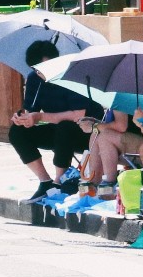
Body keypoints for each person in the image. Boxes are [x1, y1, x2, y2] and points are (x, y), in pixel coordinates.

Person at [8, 39, 99, 205]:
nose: (39, 73)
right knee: (16, 131)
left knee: (65, 127)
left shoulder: (72, 76)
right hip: (56, 131)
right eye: (35, 69)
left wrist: (41, 117)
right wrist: (22, 117)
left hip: (84, 132)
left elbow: (79, 114)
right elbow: (30, 109)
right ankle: (45, 181)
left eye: (43, 68)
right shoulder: (35, 78)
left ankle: (60, 180)